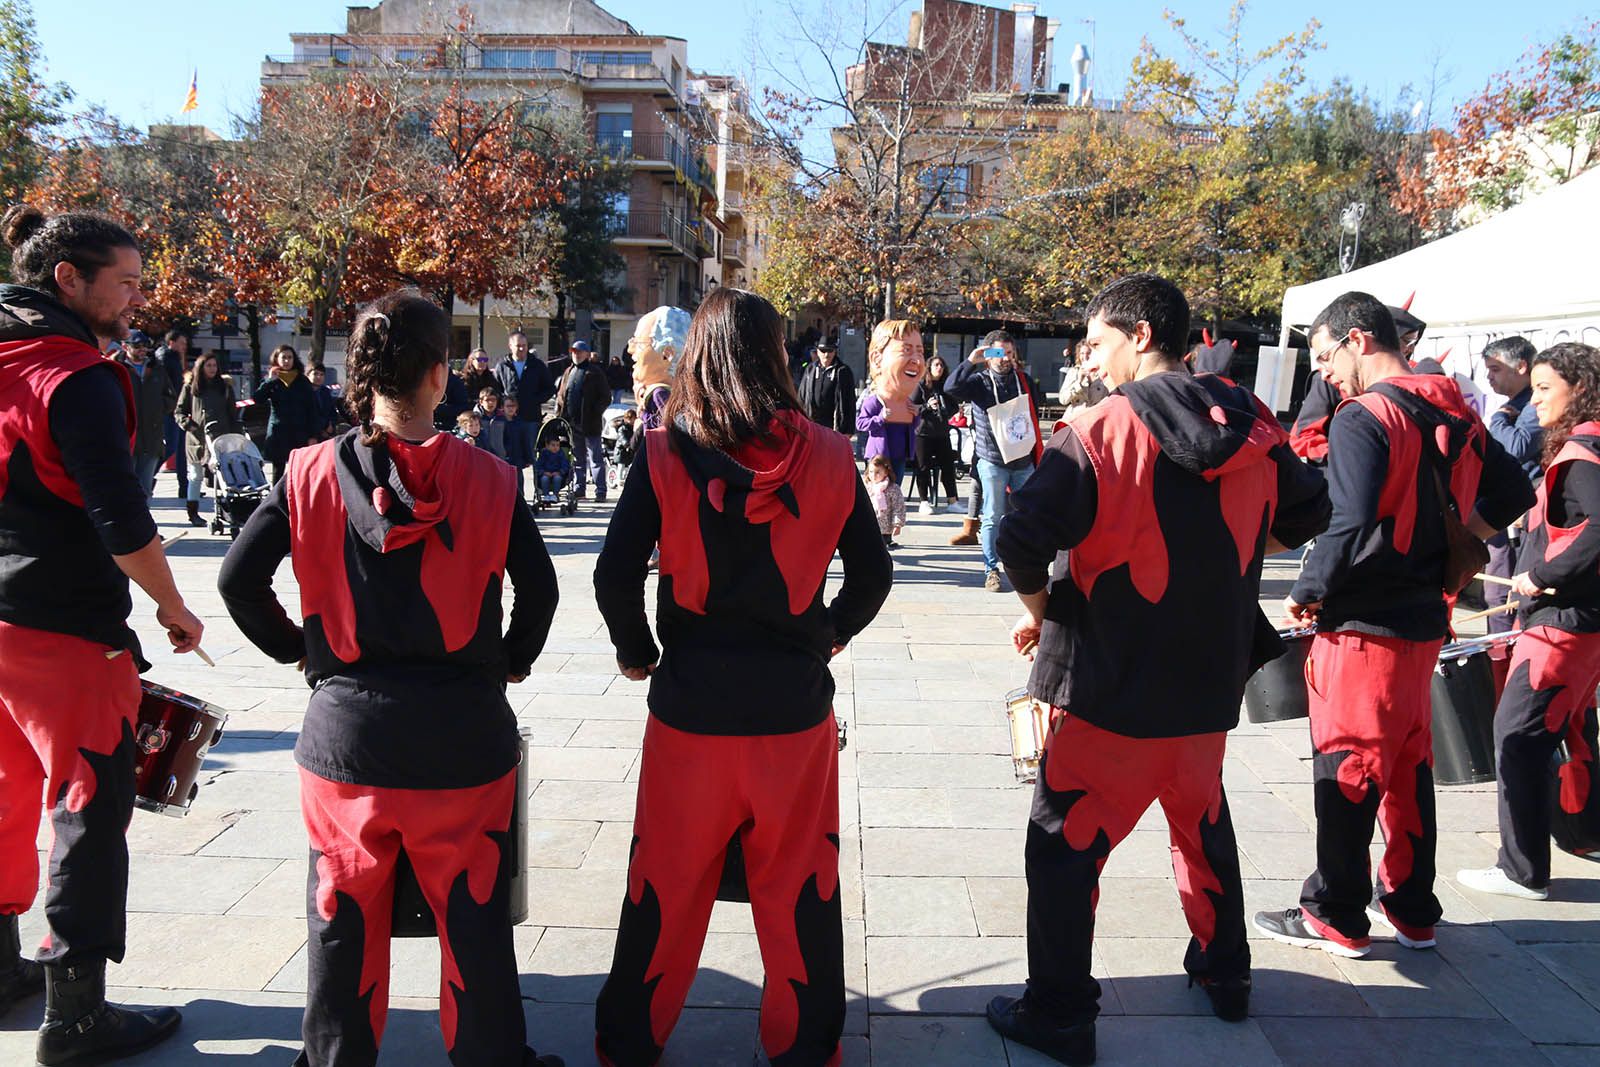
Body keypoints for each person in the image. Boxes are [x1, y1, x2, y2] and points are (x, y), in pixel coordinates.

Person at [984, 274, 1329, 1065]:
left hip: (1110, 688)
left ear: (1141, 335)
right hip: (1209, 686)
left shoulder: (1102, 430)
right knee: (1202, 825)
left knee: (1062, 847)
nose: (1092, 360)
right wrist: (1234, 564)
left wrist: (1038, 611)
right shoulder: (1255, 425)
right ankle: (1226, 974)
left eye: (1099, 343)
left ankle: (1062, 1013)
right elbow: (1310, 511)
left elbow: (1018, 537)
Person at [216, 290, 563, 1067]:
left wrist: (300, 653)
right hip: (464, 743)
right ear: (442, 374)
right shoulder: (493, 477)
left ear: (359, 371)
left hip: (347, 741)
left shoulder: (306, 472)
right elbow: (541, 591)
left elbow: (238, 581)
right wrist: (508, 661)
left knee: (340, 919)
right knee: (474, 921)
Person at [592, 287, 892, 1067]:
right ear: (776, 358)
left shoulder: (661, 452)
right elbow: (874, 572)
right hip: (792, 717)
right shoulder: (828, 454)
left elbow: (613, 573)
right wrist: (828, 632)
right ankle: (803, 1048)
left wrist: (637, 650)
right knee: (800, 888)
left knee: (663, 884)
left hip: (690, 710)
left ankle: (630, 1040)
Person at [1256, 291, 1533, 959]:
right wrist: (1454, 544)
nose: (1324, 373)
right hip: (1423, 620)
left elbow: (1346, 522)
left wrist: (1307, 589)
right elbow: (1516, 490)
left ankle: (1337, 911)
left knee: (1348, 763)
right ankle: (1412, 909)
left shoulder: (1363, 416)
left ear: (1359, 339)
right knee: (1408, 766)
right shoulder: (1449, 403)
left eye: (1325, 356)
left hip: (1363, 623)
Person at [0, 203, 204, 1065]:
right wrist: (172, 604)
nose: (136, 298)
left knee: (5, 794)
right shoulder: (75, 375)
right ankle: (75, 1014)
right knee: (86, 804)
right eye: (124, 283)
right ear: (68, 282)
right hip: (63, 624)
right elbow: (121, 517)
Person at [1457, 342, 1600, 900]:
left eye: (1545, 388)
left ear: (1579, 390)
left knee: (1517, 734)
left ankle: (1522, 869)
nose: (1534, 400)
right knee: (1565, 728)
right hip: (1579, 621)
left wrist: (1541, 573)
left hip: (1562, 623)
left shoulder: (1581, 455)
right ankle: (1582, 833)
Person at [944, 329, 1043, 592]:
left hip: (1022, 460)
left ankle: (1025, 564)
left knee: (1027, 514)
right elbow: (950, 387)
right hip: (992, 461)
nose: (1005, 359)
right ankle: (991, 569)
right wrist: (970, 361)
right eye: (998, 353)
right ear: (988, 355)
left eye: (1009, 353)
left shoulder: (1023, 380)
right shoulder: (979, 382)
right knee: (992, 515)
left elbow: (1037, 404)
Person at [1480, 336, 1545, 692]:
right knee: (1497, 594)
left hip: (1525, 512)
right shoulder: (1516, 405)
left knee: (1509, 597)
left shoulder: (1529, 404)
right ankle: (1499, 665)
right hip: (1507, 511)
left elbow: (1519, 447)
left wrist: (1498, 419)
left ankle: (1510, 669)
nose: (1490, 378)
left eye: (1495, 369)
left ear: (1522, 367)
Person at [175, 350, 242, 527]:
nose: (212, 369)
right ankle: (193, 512)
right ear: (201, 367)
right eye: (208, 365)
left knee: (222, 477)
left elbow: (232, 414)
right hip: (197, 439)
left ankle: (224, 511)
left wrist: (236, 436)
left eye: (214, 365)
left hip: (221, 438)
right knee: (195, 476)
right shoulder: (191, 387)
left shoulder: (225, 387)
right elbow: (179, 411)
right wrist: (188, 425)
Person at [855, 321, 923, 483]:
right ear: (877, 359)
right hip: (880, 455)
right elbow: (860, 424)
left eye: (920, 352)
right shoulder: (874, 401)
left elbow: (912, 428)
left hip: (900, 454)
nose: (917, 361)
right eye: (906, 350)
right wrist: (880, 418)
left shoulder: (907, 401)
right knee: (878, 491)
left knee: (895, 490)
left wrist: (916, 416)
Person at [115, 329, 176, 497]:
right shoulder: (115, 368)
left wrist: (157, 407)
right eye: (137, 346)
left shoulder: (157, 369)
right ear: (124, 346)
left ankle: (144, 522)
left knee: (145, 489)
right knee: (125, 489)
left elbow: (171, 397)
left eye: (145, 346)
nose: (142, 350)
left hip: (152, 438)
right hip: (127, 438)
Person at [557, 340, 611, 501]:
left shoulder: (595, 372)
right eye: (574, 351)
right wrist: (560, 416)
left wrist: (595, 411)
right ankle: (579, 489)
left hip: (590, 423)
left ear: (587, 354)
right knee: (577, 458)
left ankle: (600, 491)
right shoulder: (568, 371)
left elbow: (606, 397)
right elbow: (561, 395)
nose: (576, 354)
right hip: (572, 423)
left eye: (579, 352)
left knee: (595, 458)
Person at [256, 344, 318, 484]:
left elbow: (312, 409)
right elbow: (258, 398)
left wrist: (313, 435)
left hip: (299, 432)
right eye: (283, 357)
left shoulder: (302, 381)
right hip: (278, 432)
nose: (286, 361)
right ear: (277, 359)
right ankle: (276, 500)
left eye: (289, 357)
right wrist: (269, 380)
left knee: (298, 470)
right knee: (278, 470)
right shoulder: (273, 381)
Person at [912, 355, 961, 513]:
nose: (939, 368)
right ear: (929, 368)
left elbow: (955, 405)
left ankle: (952, 501)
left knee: (948, 466)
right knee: (923, 467)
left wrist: (948, 410)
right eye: (936, 365)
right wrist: (927, 406)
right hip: (923, 433)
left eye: (942, 365)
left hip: (942, 432)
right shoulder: (921, 386)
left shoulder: (946, 386)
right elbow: (912, 407)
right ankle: (924, 501)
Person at [796, 337, 856, 436]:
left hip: (833, 427)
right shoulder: (810, 370)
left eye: (830, 351)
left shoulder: (843, 371)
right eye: (823, 351)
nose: (826, 355)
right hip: (812, 425)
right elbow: (801, 398)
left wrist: (849, 430)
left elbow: (850, 402)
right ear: (817, 352)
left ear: (835, 352)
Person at [156, 328, 190, 500]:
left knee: (182, 450)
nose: (185, 346)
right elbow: (169, 385)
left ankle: (185, 488)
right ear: (172, 342)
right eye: (181, 343)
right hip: (170, 411)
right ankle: (148, 477)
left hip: (176, 409)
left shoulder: (173, 357)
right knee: (169, 447)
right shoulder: (166, 358)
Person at [494, 329, 556, 419]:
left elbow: (550, 388)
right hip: (508, 418)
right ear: (510, 346)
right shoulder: (502, 366)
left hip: (531, 418)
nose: (522, 349)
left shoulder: (537, 365)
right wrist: (505, 403)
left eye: (524, 345)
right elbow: (495, 389)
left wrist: (535, 400)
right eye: (518, 346)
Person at [864, 454, 907, 546]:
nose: (874, 475)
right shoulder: (867, 487)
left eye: (878, 472)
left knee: (881, 545)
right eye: (871, 472)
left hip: (886, 526)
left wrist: (897, 524)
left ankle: (887, 541)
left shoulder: (893, 489)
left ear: (886, 472)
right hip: (868, 525)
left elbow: (898, 506)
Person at [501, 395, 532, 495]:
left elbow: (525, 442)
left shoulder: (520, 423)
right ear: (503, 407)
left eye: (513, 406)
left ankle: (521, 504)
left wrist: (528, 458)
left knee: (518, 483)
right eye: (508, 406)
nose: (510, 408)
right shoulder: (499, 422)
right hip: (504, 458)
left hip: (517, 458)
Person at [307, 363, 340, 441]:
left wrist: (331, 424)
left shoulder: (325, 391)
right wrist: (322, 430)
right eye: (315, 374)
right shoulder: (304, 392)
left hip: (327, 433)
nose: (319, 377)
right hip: (310, 434)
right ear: (308, 375)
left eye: (322, 374)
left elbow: (332, 412)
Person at [475, 386, 508, 460]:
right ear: (481, 402)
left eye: (493, 400)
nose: (491, 403)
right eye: (487, 400)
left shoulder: (502, 417)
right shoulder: (475, 418)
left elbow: (508, 437)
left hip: (500, 458)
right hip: (480, 457)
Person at [536, 436, 572, 501]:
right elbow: (539, 465)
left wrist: (560, 472)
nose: (556, 447)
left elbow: (565, 465)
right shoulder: (543, 454)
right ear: (547, 446)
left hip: (558, 473)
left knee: (557, 478)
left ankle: (555, 495)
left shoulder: (561, 454)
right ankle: (546, 495)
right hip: (545, 473)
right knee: (544, 479)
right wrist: (543, 472)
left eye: (558, 445)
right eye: (553, 445)